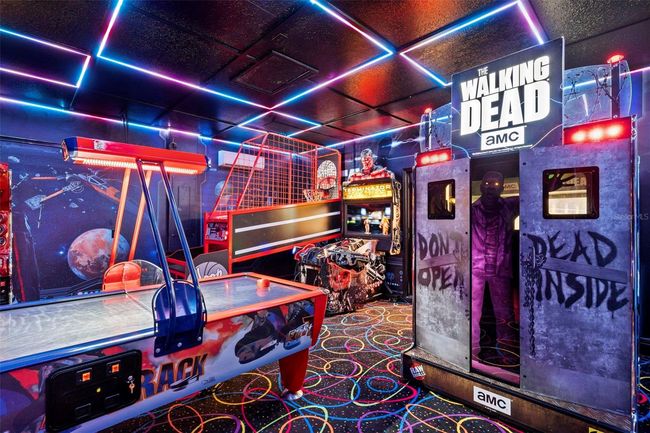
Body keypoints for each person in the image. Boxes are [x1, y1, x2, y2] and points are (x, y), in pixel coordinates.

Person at [471, 171, 519, 362]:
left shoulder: (510, 206)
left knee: (504, 314)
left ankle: (508, 354)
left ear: (502, 188)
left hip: (500, 269)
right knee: (472, 312)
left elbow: (534, 194)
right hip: (476, 268)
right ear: (481, 186)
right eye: (487, 183)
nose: (491, 187)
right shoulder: (471, 210)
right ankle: (472, 352)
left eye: (496, 184)